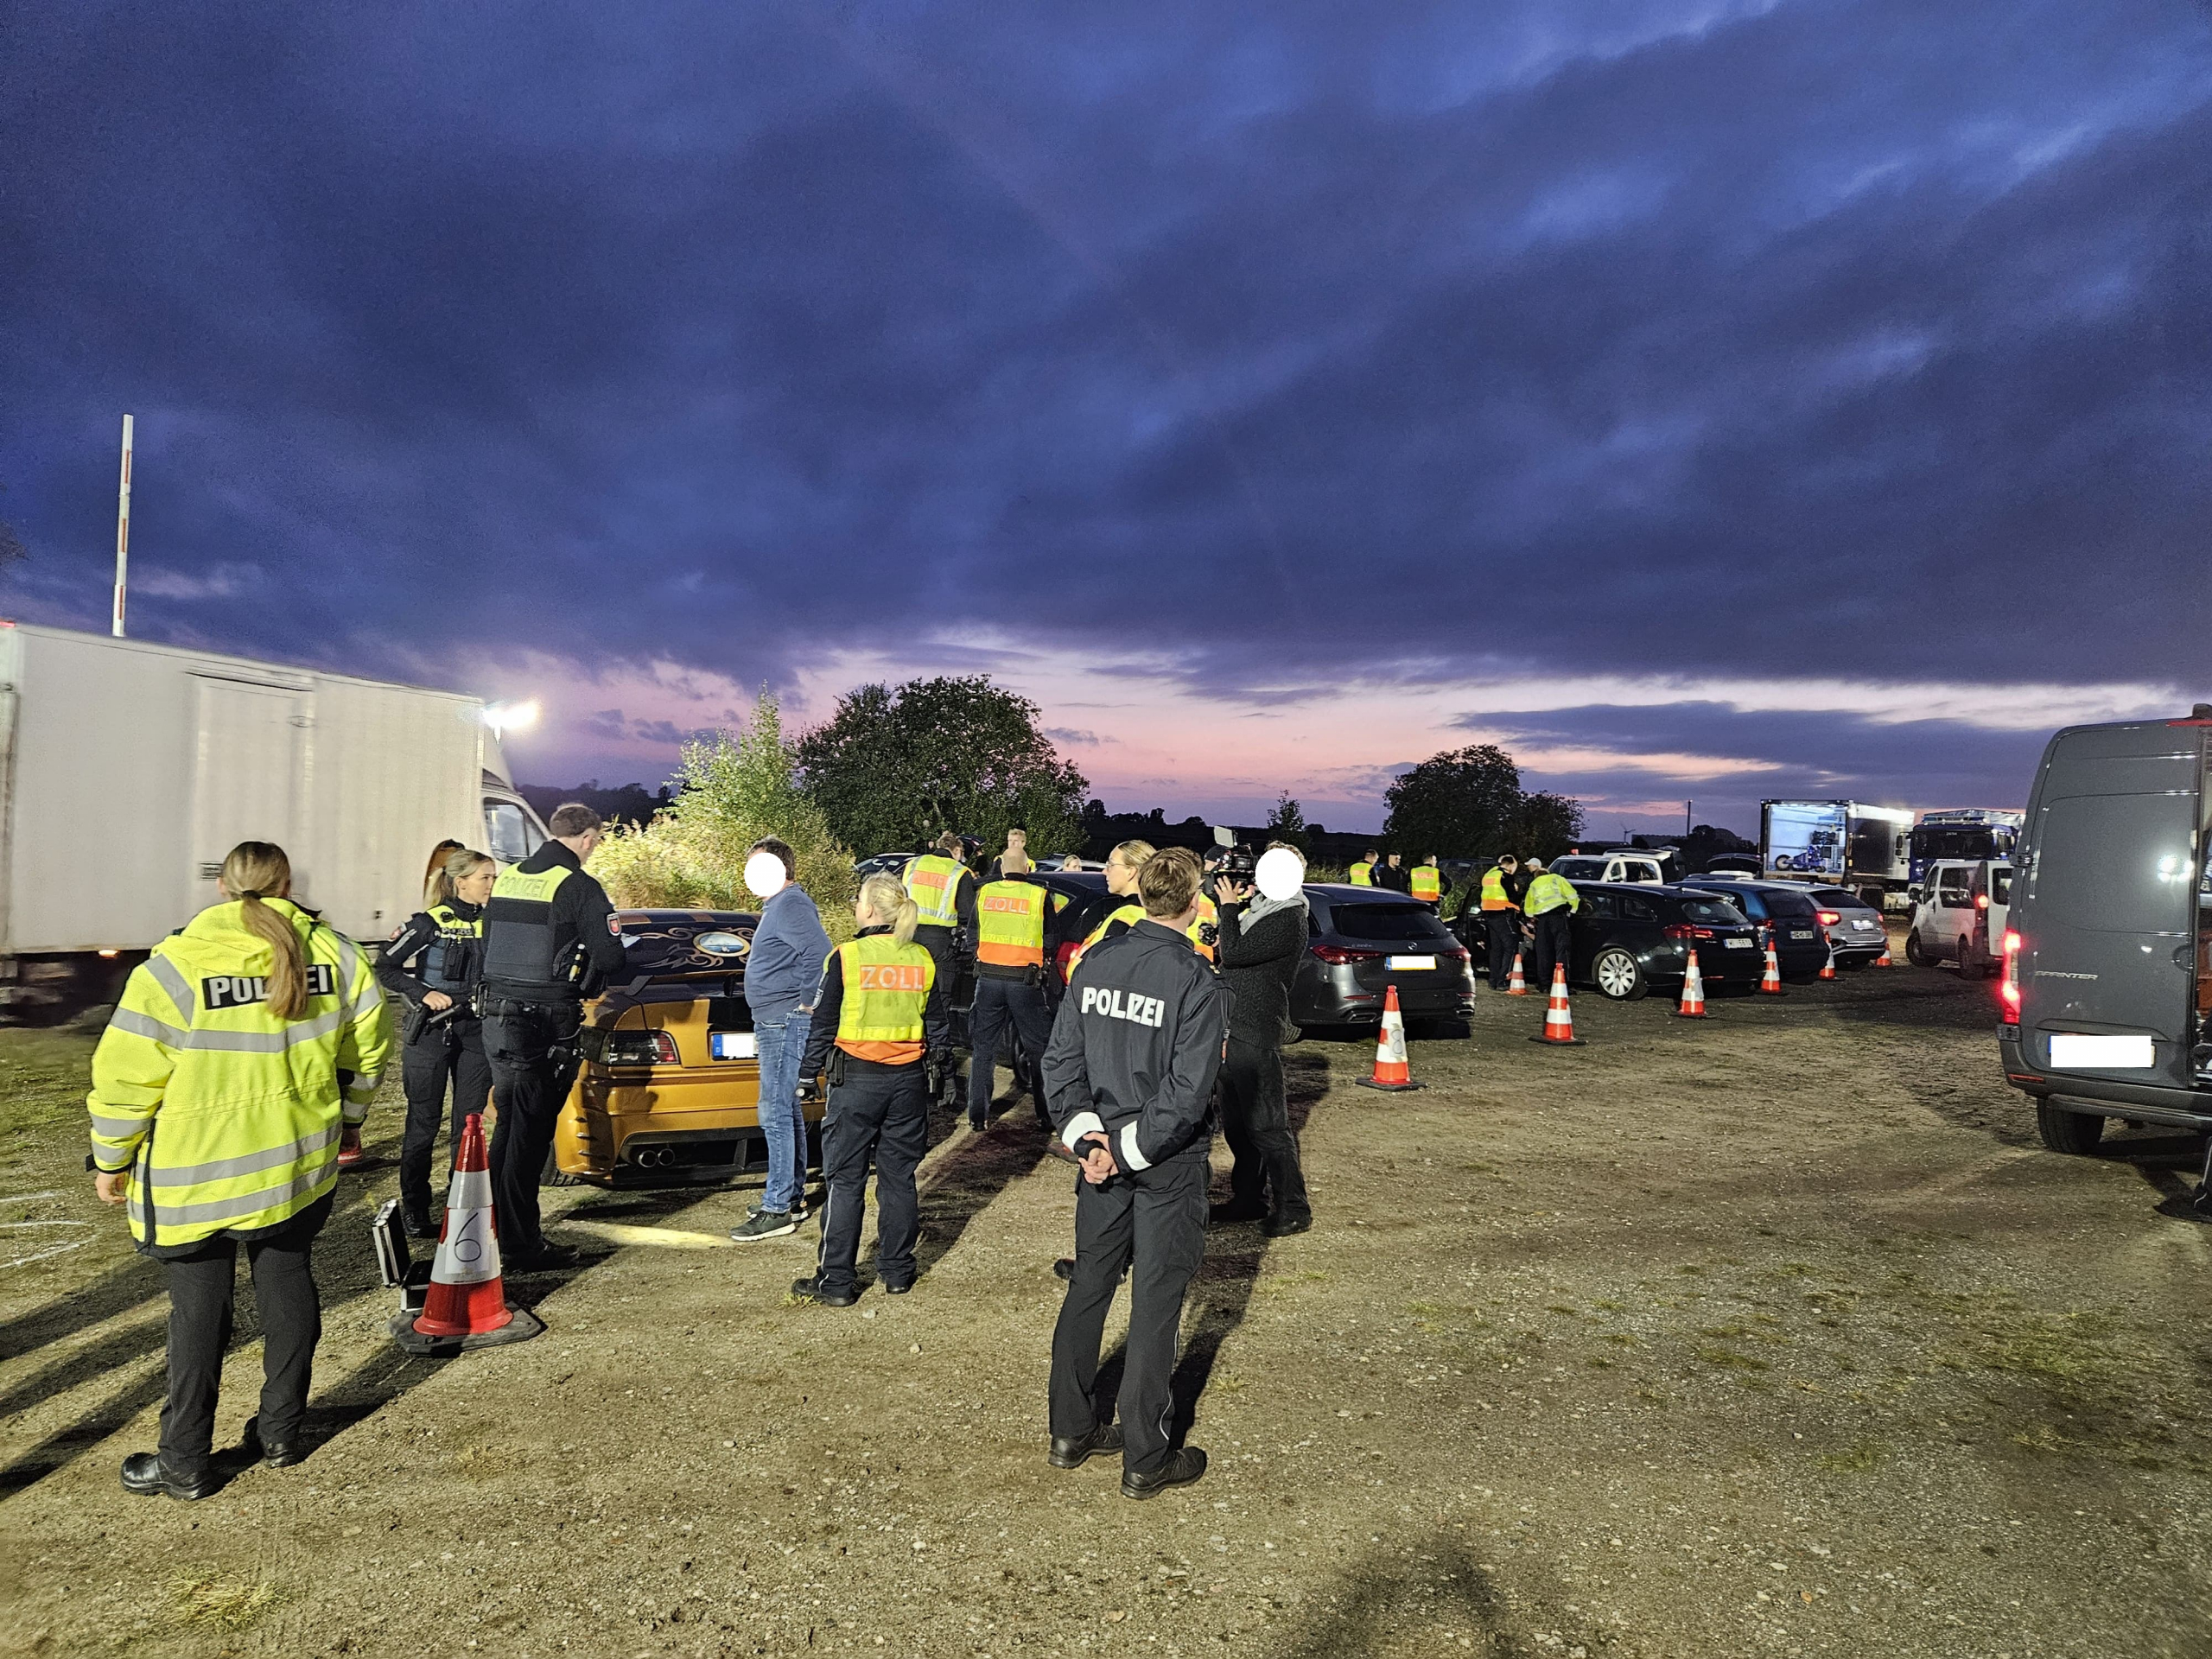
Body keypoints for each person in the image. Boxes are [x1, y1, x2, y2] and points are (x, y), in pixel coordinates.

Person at [87, 841, 391, 1499]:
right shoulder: (338, 956)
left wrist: (110, 1157)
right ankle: (281, 1432)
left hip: (196, 1179)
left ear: (224, 888)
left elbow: (125, 1077)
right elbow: (368, 1049)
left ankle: (184, 1462)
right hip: (295, 1165)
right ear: (286, 884)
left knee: (198, 1316)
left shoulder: (174, 966)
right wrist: (352, 1120)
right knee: (288, 1283)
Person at [1043, 847, 1228, 1499]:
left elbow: (1060, 1061)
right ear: (1193, 900)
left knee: (1089, 1284)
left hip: (1100, 1154)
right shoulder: (1195, 980)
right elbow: (1187, 1091)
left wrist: (1087, 1136)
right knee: (1154, 1302)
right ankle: (1146, 1456)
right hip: (1163, 1161)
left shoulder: (1095, 962)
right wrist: (1124, 1148)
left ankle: (1070, 1429)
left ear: (1143, 895)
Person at [479, 802, 627, 1270]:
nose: (595, 847)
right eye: (597, 840)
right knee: (529, 1134)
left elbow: (489, 943)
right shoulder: (578, 885)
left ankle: (493, 1229)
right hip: (542, 1023)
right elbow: (611, 958)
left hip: (497, 1017)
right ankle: (520, 1246)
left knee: (510, 1127)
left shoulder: (509, 877)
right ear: (586, 838)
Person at [791, 873, 952, 1305]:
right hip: (908, 1082)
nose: (855, 904)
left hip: (857, 1081)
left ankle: (837, 1283)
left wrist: (806, 1076)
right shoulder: (922, 957)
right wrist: (943, 1071)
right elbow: (937, 1023)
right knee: (899, 1178)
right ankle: (898, 1272)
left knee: (845, 1181)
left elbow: (823, 1023)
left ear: (869, 910)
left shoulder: (848, 957)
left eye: (859, 898)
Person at [377, 846, 497, 1237]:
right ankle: (416, 1208)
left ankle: (458, 1205)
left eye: (493, 877)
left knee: (468, 1125)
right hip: (431, 1031)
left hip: (476, 1033)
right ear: (461, 882)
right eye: (485, 878)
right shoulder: (428, 923)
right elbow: (386, 967)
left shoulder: (494, 922)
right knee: (423, 1124)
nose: (491, 884)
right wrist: (423, 992)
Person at [729, 836, 831, 1243]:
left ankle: (777, 1210)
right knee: (784, 1108)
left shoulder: (790, 904)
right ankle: (789, 1197)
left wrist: (807, 1004)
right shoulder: (781, 906)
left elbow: (819, 953)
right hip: (776, 1019)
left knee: (773, 1110)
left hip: (784, 1020)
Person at [1211, 847, 1313, 1236]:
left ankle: (1293, 1207)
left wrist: (1227, 907)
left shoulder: (1288, 917)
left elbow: (1234, 954)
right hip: (1235, 1027)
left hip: (1255, 1029)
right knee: (1238, 1126)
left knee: (1268, 1127)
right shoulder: (1262, 910)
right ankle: (1248, 1198)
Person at [968, 862, 1068, 1131]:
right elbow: (1051, 939)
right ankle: (1045, 1116)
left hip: (988, 980)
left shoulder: (986, 893)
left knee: (983, 1051)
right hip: (1025, 981)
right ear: (1026, 867)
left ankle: (978, 1117)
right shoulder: (1038, 895)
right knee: (1038, 1050)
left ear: (1002, 868)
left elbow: (972, 934)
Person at [1523, 857, 1581, 991]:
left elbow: (1528, 908)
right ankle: (1561, 985)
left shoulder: (1534, 884)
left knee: (1543, 952)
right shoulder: (1557, 878)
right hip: (1558, 917)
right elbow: (1573, 897)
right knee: (1562, 950)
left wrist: (1531, 919)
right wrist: (1572, 912)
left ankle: (1544, 985)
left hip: (1542, 921)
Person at [1476, 853, 1524, 991]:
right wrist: (1518, 892)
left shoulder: (1489, 875)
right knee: (1511, 946)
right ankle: (1503, 980)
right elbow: (1512, 897)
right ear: (1510, 865)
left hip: (1489, 915)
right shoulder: (1506, 876)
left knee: (1496, 949)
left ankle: (1493, 980)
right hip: (1502, 914)